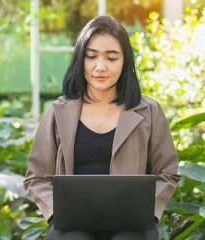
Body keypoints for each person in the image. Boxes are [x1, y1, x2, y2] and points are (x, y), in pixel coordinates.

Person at [23, 15, 181, 240]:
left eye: (112, 58)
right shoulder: (57, 112)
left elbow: (167, 173)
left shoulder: (149, 112)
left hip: (132, 224)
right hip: (70, 224)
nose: (100, 67)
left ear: (124, 61)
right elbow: (36, 177)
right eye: (91, 56)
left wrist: (145, 211)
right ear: (81, 59)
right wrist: (58, 212)